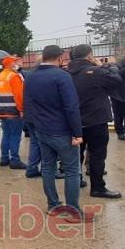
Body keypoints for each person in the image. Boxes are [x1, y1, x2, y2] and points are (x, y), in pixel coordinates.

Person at [24, 45, 92, 224]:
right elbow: (71, 106)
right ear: (60, 58)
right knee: (72, 170)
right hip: (62, 131)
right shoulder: (62, 76)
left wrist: (34, 127)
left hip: (42, 130)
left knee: (47, 167)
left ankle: (53, 205)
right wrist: (77, 132)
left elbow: (28, 104)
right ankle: (73, 210)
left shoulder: (31, 77)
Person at [67, 44, 125, 199]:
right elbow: (116, 80)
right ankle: (98, 187)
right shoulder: (96, 72)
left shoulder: (66, 73)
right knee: (97, 155)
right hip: (96, 120)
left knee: (77, 154)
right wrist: (107, 66)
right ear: (90, 55)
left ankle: (77, 180)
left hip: (75, 122)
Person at [0, 55, 27, 169]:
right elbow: (19, 95)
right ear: (11, 64)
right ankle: (15, 160)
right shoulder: (14, 76)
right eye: (16, 61)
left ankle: (4, 159)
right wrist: (22, 109)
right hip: (14, 112)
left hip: (2, 112)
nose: (17, 63)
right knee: (15, 136)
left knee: (6, 135)